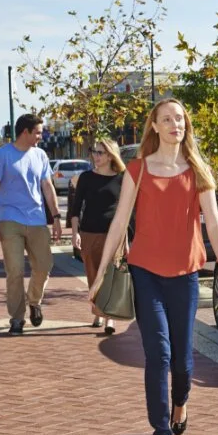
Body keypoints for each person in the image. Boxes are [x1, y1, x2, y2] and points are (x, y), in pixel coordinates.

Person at [89, 98, 218, 435]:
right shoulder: (137, 169)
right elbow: (119, 222)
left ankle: (181, 401)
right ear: (154, 126)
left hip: (185, 274)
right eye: (167, 119)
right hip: (146, 273)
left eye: (181, 118)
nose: (176, 124)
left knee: (183, 361)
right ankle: (161, 432)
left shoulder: (197, 169)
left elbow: (213, 222)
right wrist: (100, 276)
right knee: (158, 353)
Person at [0, 114, 63, 335]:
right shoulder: (3, 155)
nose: (41, 136)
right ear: (25, 132)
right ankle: (17, 318)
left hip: (36, 219)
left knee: (44, 266)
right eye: (37, 132)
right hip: (9, 218)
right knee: (15, 270)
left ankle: (34, 301)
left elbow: (47, 187)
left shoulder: (40, 155)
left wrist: (56, 218)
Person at [69, 138, 125, 337]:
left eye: (101, 152)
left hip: (114, 235)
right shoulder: (85, 177)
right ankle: (98, 311)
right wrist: (75, 233)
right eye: (94, 151)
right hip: (89, 233)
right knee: (93, 275)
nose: (96, 156)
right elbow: (75, 209)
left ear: (111, 155)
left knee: (110, 275)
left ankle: (108, 317)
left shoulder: (122, 178)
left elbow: (128, 210)